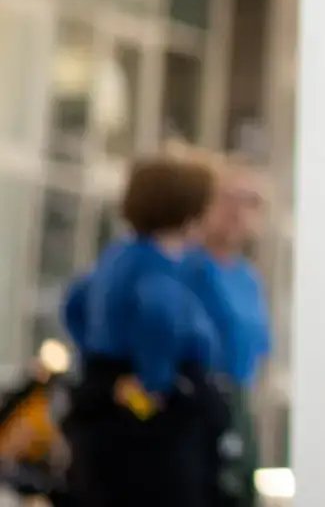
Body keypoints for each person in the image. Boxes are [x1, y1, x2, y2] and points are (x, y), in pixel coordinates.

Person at [60, 154, 228, 507]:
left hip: (105, 398)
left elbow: (74, 303)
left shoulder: (118, 255)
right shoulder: (161, 267)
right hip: (155, 428)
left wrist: (91, 351)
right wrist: (155, 381)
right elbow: (159, 318)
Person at [182, 158, 271, 507]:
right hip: (196, 404)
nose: (237, 213)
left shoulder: (248, 279)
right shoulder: (185, 268)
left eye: (250, 202)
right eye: (228, 199)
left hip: (237, 403)